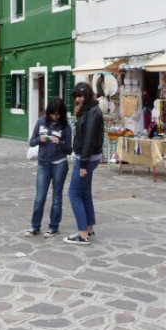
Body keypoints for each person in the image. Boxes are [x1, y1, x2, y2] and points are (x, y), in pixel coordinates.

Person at [24, 97, 73, 238]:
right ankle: (35, 226)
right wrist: (40, 139)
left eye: (57, 114)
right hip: (43, 164)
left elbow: (69, 149)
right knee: (40, 197)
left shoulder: (65, 127)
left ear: (62, 114)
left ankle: (54, 227)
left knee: (57, 197)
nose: (54, 117)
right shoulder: (41, 122)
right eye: (52, 114)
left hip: (59, 164)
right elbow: (31, 142)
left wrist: (59, 142)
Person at [64, 81, 104, 245]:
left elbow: (88, 140)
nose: (77, 100)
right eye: (76, 97)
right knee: (85, 193)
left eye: (80, 96)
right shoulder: (88, 110)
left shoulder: (93, 112)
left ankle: (82, 234)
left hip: (86, 158)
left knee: (73, 194)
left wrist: (83, 165)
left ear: (87, 96)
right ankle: (88, 227)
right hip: (90, 157)